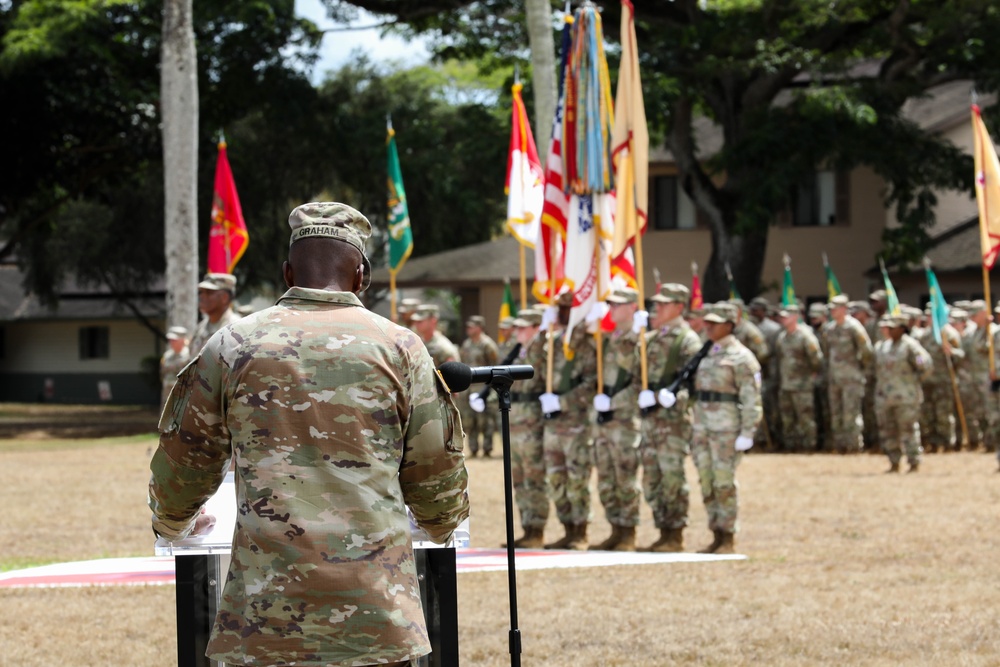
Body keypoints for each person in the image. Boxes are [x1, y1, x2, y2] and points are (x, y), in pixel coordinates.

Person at [148, 202, 470, 667]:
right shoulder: (402, 348)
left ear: (287, 273)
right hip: (376, 617)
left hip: (264, 620)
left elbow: (183, 469)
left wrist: (175, 524)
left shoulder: (232, 344)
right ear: (361, 276)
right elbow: (438, 482)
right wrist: (440, 523)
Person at [688, 302, 761, 555]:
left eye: (714, 323)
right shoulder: (705, 352)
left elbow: (752, 398)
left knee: (723, 482)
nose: (707, 327)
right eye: (706, 322)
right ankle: (715, 533)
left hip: (726, 429)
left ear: (730, 325)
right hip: (702, 428)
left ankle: (728, 536)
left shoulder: (741, 357)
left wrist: (748, 432)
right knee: (706, 481)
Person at [635, 283, 704, 552]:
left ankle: (675, 533)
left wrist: (673, 398)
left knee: (672, 477)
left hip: (672, 422)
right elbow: (632, 367)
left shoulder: (687, 340)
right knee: (652, 478)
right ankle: (662, 529)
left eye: (663, 304)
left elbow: (695, 385)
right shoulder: (652, 338)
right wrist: (635, 334)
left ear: (678, 307)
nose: (656, 308)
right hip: (651, 421)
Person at [537, 291, 597, 550]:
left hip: (576, 422)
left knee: (577, 479)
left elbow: (592, 382)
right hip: (554, 424)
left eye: (566, 309)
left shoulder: (586, 345)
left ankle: (580, 531)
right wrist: (541, 332)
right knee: (556, 478)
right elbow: (537, 366)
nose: (562, 313)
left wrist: (563, 401)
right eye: (559, 309)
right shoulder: (554, 342)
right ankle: (567, 528)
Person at [590, 287, 643, 551]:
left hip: (624, 418)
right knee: (606, 477)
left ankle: (629, 532)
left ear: (633, 306)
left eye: (618, 305)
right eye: (610, 304)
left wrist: (615, 402)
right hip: (604, 420)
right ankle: (615, 528)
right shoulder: (610, 338)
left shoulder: (640, 339)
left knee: (625, 476)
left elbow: (640, 382)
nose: (612, 309)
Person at [503, 308, 550, 548]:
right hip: (517, 421)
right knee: (519, 478)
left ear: (536, 327)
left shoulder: (541, 350)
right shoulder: (519, 350)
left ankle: (537, 528)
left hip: (533, 421)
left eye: (524, 327)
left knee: (534, 476)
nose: (518, 331)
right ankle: (527, 527)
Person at [874, 314, 932, 473]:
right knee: (888, 431)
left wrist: (914, 380)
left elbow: (924, 364)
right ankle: (893, 462)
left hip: (906, 397)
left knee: (908, 430)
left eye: (893, 328)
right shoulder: (883, 346)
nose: (889, 330)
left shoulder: (910, 346)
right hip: (885, 397)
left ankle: (913, 462)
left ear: (902, 328)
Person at [824, 294, 873, 454]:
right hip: (835, 377)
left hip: (851, 378)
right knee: (836, 412)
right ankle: (840, 445)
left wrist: (859, 368)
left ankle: (853, 446)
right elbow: (826, 351)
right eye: (831, 309)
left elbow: (866, 351)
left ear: (844, 309)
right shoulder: (830, 329)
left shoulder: (854, 327)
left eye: (836, 308)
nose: (833, 311)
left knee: (850, 413)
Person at [913, 306, 965, 452]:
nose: (930, 319)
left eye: (932, 316)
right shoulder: (923, 335)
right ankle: (932, 442)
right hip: (927, 381)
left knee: (944, 414)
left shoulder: (949, 334)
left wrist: (951, 352)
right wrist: (919, 364)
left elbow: (961, 356)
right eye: (928, 316)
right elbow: (918, 355)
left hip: (944, 381)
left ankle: (947, 442)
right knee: (928, 413)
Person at [775, 305, 824, 452]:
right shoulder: (782, 337)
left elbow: (817, 360)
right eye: (782, 317)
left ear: (796, 317)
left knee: (805, 418)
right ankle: (790, 446)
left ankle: (808, 446)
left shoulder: (806, 336)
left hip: (802, 385)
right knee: (788, 418)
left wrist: (810, 375)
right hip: (786, 384)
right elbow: (780, 358)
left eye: (787, 316)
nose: (783, 319)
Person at [459, 315, 500, 457]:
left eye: (472, 326)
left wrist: (490, 388)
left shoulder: (488, 344)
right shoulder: (467, 344)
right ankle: (473, 448)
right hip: (469, 387)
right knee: (470, 419)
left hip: (483, 388)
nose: (469, 329)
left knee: (485, 420)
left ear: (480, 327)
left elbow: (495, 365)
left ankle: (487, 448)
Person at [189, 272, 241, 353]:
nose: (202, 296)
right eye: (201, 292)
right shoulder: (200, 329)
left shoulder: (236, 328)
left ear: (224, 297)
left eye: (209, 292)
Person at [159, 326, 190, 409]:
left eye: (174, 340)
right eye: (170, 340)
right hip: (167, 395)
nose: (171, 342)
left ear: (183, 340)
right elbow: (162, 373)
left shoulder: (189, 356)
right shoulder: (167, 356)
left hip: (184, 396)